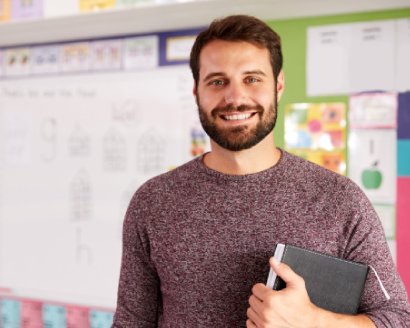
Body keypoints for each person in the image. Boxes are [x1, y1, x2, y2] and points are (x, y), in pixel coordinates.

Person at [111, 15, 410, 327]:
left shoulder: (341, 200)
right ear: (197, 92)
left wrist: (314, 322)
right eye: (217, 81)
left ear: (278, 86)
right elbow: (132, 322)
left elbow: (398, 319)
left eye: (252, 79)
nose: (236, 98)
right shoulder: (153, 202)